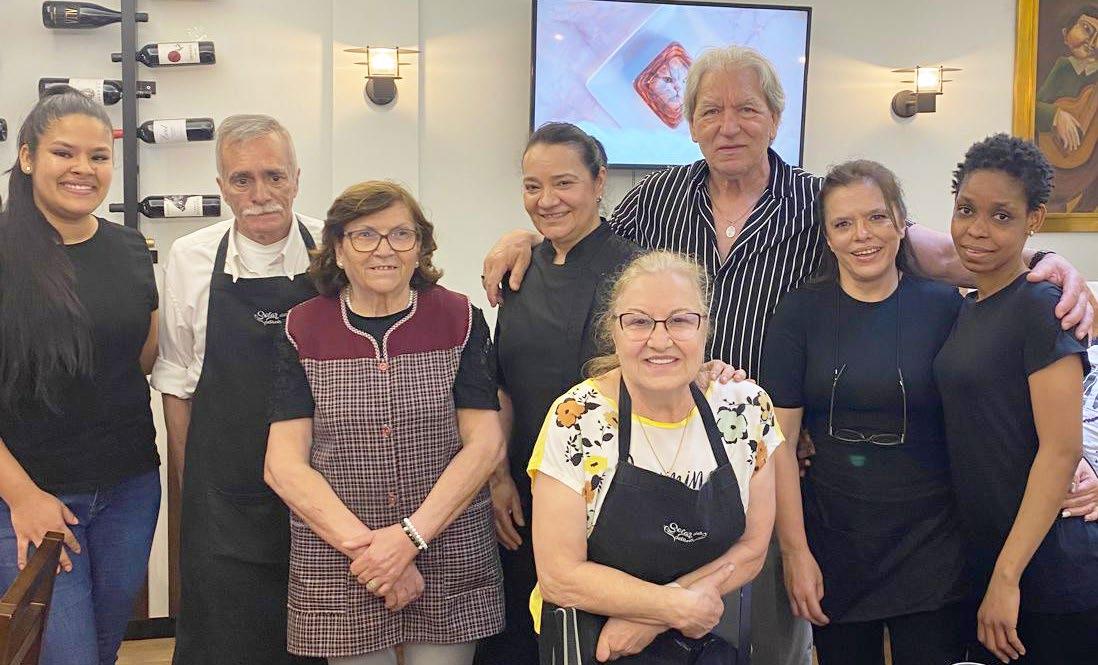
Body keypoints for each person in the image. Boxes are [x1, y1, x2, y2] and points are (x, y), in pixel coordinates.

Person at [482, 45, 1093, 665]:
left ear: (776, 118)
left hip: (769, 462)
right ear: (689, 123)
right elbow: (590, 238)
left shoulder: (817, 202)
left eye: (747, 109)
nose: (729, 126)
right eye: (711, 111)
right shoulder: (655, 199)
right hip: (658, 461)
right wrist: (525, 236)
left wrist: (1048, 264)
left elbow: (947, 251)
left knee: (771, 643)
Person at [264, 181, 505, 665]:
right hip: (341, 556)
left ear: (420, 247)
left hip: (448, 548)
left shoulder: (459, 318)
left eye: (400, 234)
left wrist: (409, 538)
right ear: (338, 248)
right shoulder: (300, 328)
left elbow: (485, 445)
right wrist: (374, 555)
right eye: (365, 235)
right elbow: (282, 466)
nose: (384, 249)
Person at [761, 161, 969, 665]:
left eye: (876, 217)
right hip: (835, 542)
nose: (862, 235)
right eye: (843, 223)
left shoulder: (946, 308)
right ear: (828, 238)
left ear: (900, 221)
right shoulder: (799, 314)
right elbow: (779, 443)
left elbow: (987, 415)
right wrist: (795, 551)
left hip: (933, 543)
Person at [529, 251, 781, 663]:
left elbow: (752, 546)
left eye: (680, 320)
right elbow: (560, 576)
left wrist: (657, 617)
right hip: (597, 645)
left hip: (707, 634)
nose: (660, 341)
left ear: (705, 327)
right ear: (613, 330)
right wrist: (674, 607)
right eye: (639, 321)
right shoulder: (576, 419)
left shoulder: (746, 410)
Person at [152, 114, 325, 665]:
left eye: (274, 176)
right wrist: (192, 484)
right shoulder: (191, 257)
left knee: (315, 635)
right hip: (222, 491)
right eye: (242, 180)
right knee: (224, 639)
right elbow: (176, 382)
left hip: (324, 486)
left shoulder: (335, 248)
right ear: (222, 186)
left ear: (296, 178)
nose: (260, 194)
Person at [0, 87, 160, 665]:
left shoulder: (131, 248)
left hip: (129, 490)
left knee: (102, 649)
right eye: (63, 153)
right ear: (27, 157)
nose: (83, 169)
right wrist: (24, 498)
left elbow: (143, 356)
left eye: (98, 157)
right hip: (28, 497)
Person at [474, 122, 641, 665]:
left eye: (563, 183)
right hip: (522, 491)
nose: (547, 200)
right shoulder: (519, 271)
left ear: (599, 182)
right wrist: (498, 475)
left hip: (609, 497)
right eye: (532, 186)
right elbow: (502, 382)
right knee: (519, 639)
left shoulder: (634, 271)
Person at [933, 134, 1098, 664]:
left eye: (1001, 215)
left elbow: (1061, 450)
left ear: (1034, 220)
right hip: (989, 554)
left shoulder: (1041, 304)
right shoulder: (968, 306)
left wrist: (1007, 577)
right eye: (966, 210)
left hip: (1047, 569)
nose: (977, 229)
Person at [1035, 5, 1098, 212]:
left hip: (1089, 170)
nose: (1092, 42)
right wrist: (1056, 115)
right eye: (1087, 29)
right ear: (1065, 33)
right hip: (1056, 162)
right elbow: (1031, 110)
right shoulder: (1063, 68)